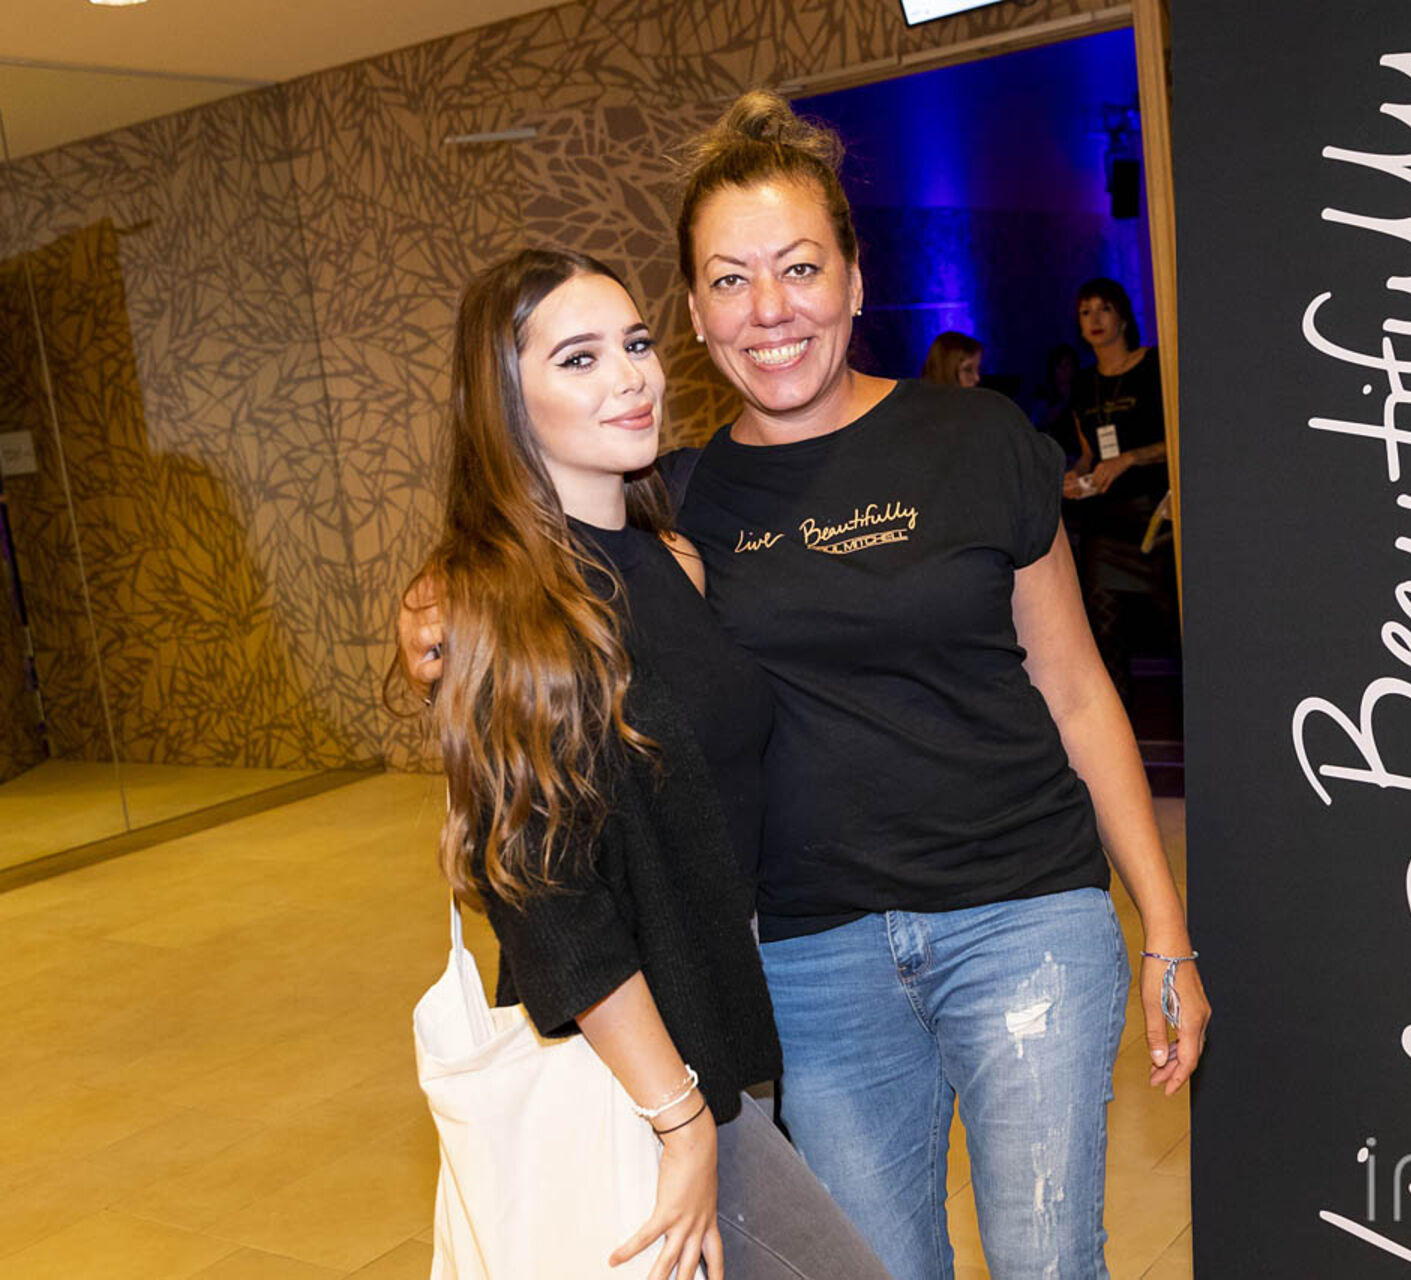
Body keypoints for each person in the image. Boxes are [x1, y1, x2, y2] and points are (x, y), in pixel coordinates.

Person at [402, 93, 1208, 1280]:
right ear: (696, 312)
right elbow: (537, 560)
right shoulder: (681, 498)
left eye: (799, 267)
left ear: (855, 277)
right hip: (806, 955)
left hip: (1024, 915)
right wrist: (442, 597)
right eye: (730, 280)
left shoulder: (979, 437)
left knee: (1048, 1259)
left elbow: (1078, 690)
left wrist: (1166, 927)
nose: (769, 308)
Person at [399, 248, 887, 1280]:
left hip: (726, 1005)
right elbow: (545, 902)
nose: (630, 377)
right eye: (578, 358)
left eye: (633, 343)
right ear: (505, 402)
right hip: (642, 1059)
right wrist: (680, 1118)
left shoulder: (671, 558)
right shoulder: (501, 609)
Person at [1061, 278, 1177, 708]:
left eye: (1103, 308)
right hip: (1105, 525)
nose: (1094, 319)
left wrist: (1130, 458)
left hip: (1155, 518)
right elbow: (1089, 455)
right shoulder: (1082, 383)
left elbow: (1180, 440)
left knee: (1179, 629)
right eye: (1085, 311)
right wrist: (1075, 478)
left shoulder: (1154, 367)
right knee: (1106, 640)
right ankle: (1120, 734)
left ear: (1123, 316)